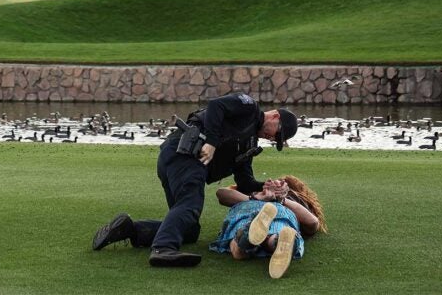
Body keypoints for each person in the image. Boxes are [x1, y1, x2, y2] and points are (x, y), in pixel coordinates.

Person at [92, 93, 299, 267]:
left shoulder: (250, 145)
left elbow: (245, 183)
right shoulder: (249, 107)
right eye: (276, 134)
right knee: (190, 205)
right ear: (274, 116)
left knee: (189, 229)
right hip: (184, 154)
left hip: (181, 163)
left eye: (276, 141)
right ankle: (163, 249)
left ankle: (131, 229)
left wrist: (268, 188)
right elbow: (216, 105)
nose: (272, 139)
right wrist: (211, 142)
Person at [209, 176, 327, 279]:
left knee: (237, 238)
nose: (272, 181)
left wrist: (280, 199)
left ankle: (244, 238)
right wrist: (258, 197)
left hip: (248, 211)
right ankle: (276, 241)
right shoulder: (254, 191)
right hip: (280, 216)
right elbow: (221, 193)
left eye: (279, 183)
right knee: (278, 232)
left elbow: (312, 223)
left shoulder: (293, 198)